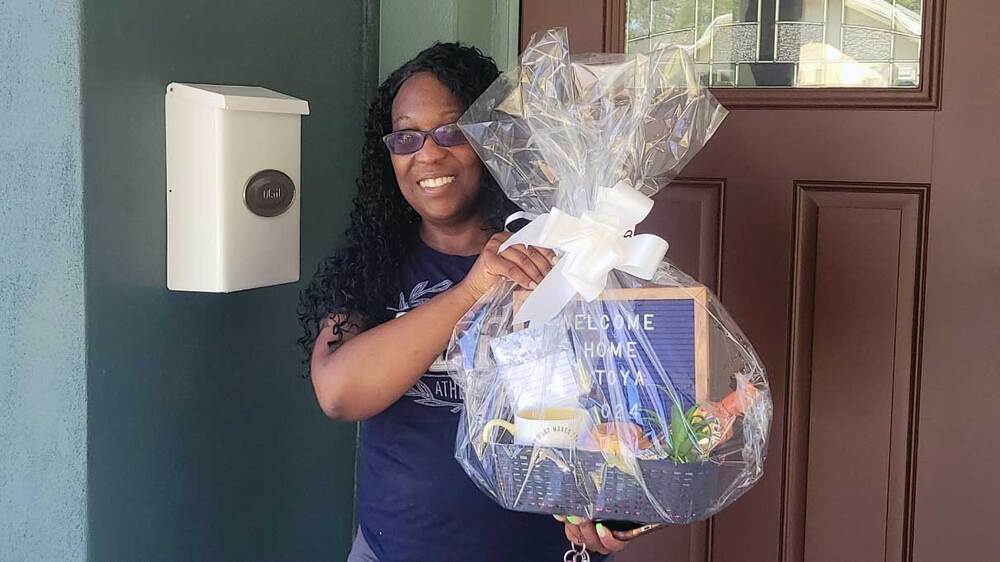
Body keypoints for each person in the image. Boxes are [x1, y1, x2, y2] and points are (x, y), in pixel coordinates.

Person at [298, 43, 631, 561]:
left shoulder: (570, 260)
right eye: (406, 137)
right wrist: (474, 289)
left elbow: (635, 411)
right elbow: (339, 392)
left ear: (494, 141)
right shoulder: (372, 263)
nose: (427, 154)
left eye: (452, 131)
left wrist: (623, 508)